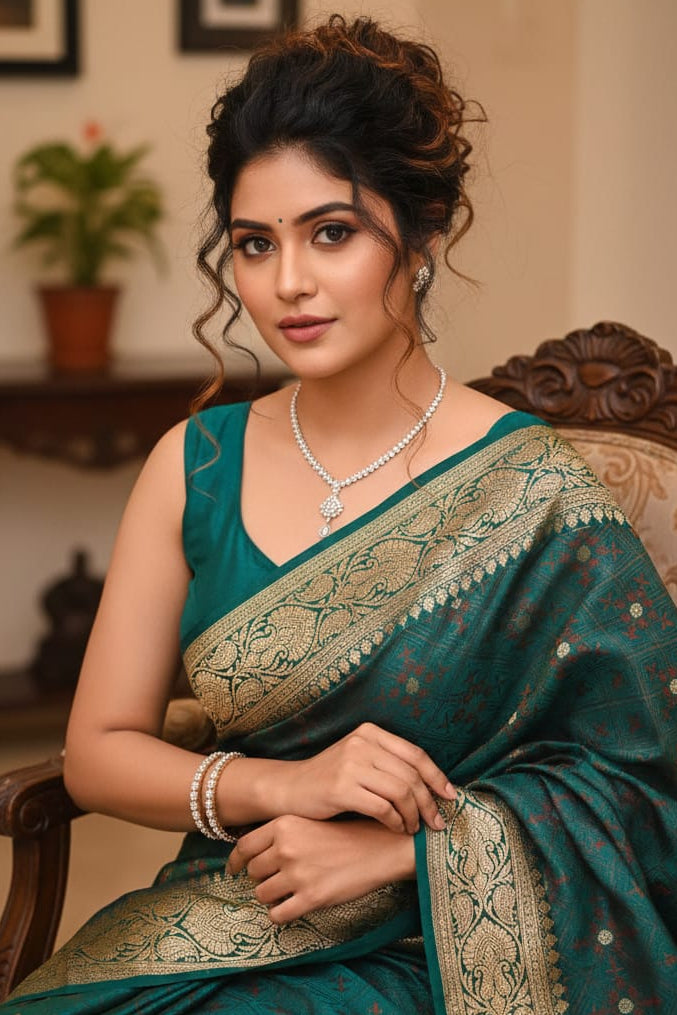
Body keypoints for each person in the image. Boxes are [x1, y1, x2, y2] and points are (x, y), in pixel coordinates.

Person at [3, 13, 676, 1015]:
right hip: (230, 914)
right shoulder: (195, 464)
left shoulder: (534, 492)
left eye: (331, 232)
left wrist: (406, 853)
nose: (288, 284)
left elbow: (643, 782)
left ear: (422, 234)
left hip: (439, 949)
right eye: (253, 244)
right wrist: (286, 786)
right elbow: (98, 749)